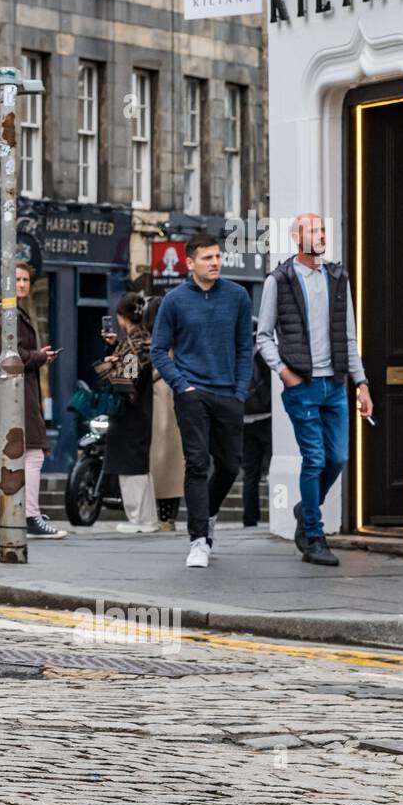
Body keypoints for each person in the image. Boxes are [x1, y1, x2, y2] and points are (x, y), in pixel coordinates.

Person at [256, 213, 372, 566]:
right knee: (315, 459)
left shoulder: (338, 278)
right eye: (312, 230)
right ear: (296, 238)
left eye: (323, 229)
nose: (320, 235)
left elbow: (349, 336)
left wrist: (362, 382)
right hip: (302, 385)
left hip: (335, 384)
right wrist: (284, 372)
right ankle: (315, 537)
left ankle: (305, 509)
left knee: (338, 458)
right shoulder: (280, 280)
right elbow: (263, 336)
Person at [149, 234, 253, 568]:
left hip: (229, 394)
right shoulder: (174, 300)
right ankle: (199, 540)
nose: (215, 263)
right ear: (190, 262)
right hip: (192, 393)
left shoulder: (237, 297)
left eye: (218, 257)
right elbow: (158, 351)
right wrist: (182, 386)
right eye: (207, 258)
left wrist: (240, 391)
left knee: (230, 465)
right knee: (196, 463)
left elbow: (244, 349)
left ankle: (206, 514)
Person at [0, 259, 65, 539]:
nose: (22, 285)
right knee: (34, 454)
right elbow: (10, 355)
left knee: (4, 459)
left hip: (6, 394)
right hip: (10, 395)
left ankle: (4, 517)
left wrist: (36, 356)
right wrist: (39, 357)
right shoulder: (6, 313)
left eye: (26, 280)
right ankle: (28, 516)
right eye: (17, 280)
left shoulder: (1, 311)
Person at [96, 292, 156, 533]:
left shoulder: (132, 345)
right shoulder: (144, 339)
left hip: (129, 413)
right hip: (142, 410)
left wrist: (107, 367)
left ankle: (138, 519)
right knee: (140, 465)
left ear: (121, 317)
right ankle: (148, 517)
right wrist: (113, 348)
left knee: (130, 466)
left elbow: (127, 378)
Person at [145, 295, 184, 532]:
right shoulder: (180, 343)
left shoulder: (138, 343)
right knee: (173, 464)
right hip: (175, 405)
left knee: (158, 462)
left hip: (150, 407)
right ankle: (167, 517)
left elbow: (127, 378)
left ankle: (152, 516)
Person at [241, 320, 273, 528]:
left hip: (244, 419)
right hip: (267, 417)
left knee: (250, 474)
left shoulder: (236, 353)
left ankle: (250, 519)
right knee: (271, 468)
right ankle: (279, 515)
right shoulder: (263, 351)